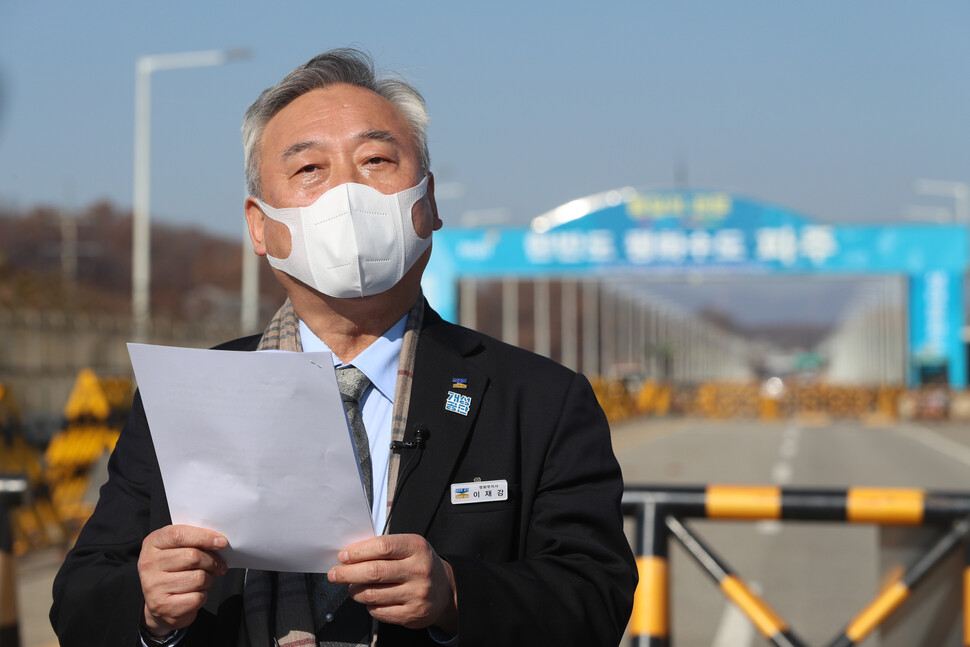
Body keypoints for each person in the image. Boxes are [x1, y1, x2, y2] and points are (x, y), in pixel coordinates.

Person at [50, 48, 637, 647]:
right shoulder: (186, 394)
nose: (348, 193)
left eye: (377, 159)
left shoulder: (538, 400)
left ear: (428, 204)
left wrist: (456, 595)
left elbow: (597, 596)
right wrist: (148, 608)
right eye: (309, 170)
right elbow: (78, 600)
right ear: (260, 225)